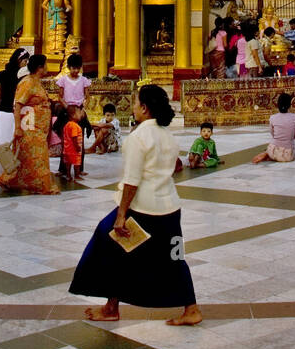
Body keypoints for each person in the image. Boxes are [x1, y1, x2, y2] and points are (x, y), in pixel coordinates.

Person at [70, 83, 202, 326]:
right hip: (170, 208)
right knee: (175, 257)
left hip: (142, 210)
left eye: (135, 103)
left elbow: (131, 181)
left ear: (144, 108)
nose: (133, 108)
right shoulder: (168, 136)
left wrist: (121, 216)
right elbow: (175, 167)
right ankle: (191, 309)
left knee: (107, 243)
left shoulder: (138, 138)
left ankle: (111, 307)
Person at [0, 54, 60, 194]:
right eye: (46, 65)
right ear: (39, 67)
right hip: (29, 128)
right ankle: (41, 185)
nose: (47, 68)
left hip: (38, 128)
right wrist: (18, 127)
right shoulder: (28, 82)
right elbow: (18, 105)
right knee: (37, 157)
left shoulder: (36, 82)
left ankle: (20, 182)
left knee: (31, 158)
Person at [0, 47, 29, 180]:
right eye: (24, 60)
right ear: (18, 60)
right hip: (5, 111)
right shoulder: (3, 74)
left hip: (18, 112)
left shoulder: (24, 76)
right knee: (3, 143)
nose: (26, 63)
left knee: (17, 143)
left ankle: (13, 173)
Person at [55, 52, 91, 167]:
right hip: (67, 110)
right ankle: (63, 168)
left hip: (79, 110)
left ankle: (79, 168)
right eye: (73, 68)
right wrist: (67, 108)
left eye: (78, 68)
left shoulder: (84, 80)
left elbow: (87, 97)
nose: (75, 71)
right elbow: (60, 97)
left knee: (80, 139)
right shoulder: (63, 80)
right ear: (69, 67)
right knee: (66, 140)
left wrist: (83, 109)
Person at [253, 93, 295, 163]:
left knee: (274, 142)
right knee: (293, 141)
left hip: (273, 151)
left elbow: (273, 134)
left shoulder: (272, 117)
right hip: (289, 155)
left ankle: (268, 153)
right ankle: (276, 153)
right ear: (290, 105)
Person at [61, 104, 86, 181]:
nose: (81, 115)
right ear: (73, 115)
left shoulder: (67, 125)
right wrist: (77, 146)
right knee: (77, 163)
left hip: (67, 149)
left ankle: (68, 175)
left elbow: (63, 137)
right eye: (79, 113)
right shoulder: (75, 126)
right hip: (74, 149)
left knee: (68, 163)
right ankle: (77, 175)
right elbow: (74, 137)